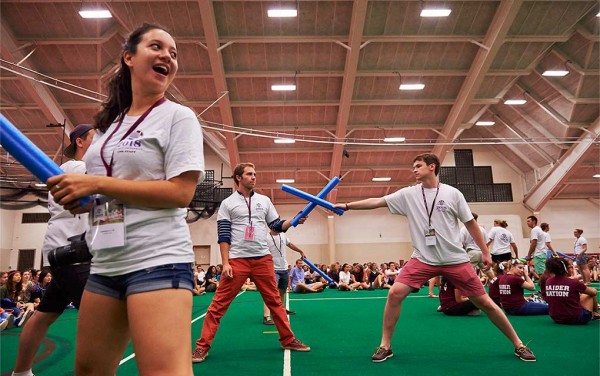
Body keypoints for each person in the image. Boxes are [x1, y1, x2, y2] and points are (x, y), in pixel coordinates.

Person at [46, 23, 205, 375]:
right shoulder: (107, 129)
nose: (168, 55)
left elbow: (181, 193)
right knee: (89, 370)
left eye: (174, 53)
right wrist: (83, 200)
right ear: (129, 57)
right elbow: (106, 191)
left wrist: (96, 184)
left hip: (158, 259)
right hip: (106, 262)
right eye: (157, 46)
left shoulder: (179, 118)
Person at [335, 153, 536, 363]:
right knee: (394, 293)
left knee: (485, 302)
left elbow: (470, 224)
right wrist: (348, 206)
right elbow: (377, 201)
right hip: (423, 257)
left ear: (432, 167)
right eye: (413, 166)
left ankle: (519, 345)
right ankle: (385, 345)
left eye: (418, 165)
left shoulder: (453, 194)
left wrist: (485, 252)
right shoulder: (408, 194)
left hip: (455, 259)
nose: (414, 169)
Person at [192, 162, 310, 363]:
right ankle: (202, 347)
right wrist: (226, 263)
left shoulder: (264, 201)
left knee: (275, 301)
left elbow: (276, 225)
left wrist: (294, 221)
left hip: (263, 259)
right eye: (249, 174)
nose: (254, 177)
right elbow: (223, 236)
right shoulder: (228, 204)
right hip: (237, 261)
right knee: (218, 306)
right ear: (238, 178)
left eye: (255, 174)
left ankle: (288, 339)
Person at [12, 123, 95, 376]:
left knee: (44, 314)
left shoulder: (64, 169)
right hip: (73, 252)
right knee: (99, 320)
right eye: (95, 137)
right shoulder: (80, 168)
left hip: (64, 250)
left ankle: (21, 372)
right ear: (80, 142)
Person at [263, 229, 305, 325]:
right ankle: (267, 316)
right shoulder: (265, 237)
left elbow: (290, 244)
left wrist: (300, 251)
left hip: (284, 268)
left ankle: (281, 310)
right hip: (272, 268)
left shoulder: (283, 235)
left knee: (282, 291)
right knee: (270, 293)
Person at [544, 258, 600, 324]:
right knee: (590, 294)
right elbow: (593, 293)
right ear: (566, 269)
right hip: (577, 318)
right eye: (570, 267)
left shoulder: (548, 281)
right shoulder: (573, 282)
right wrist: (594, 290)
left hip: (556, 318)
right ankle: (596, 314)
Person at [461, 213, 494, 282]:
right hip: (482, 253)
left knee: (467, 273)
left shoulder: (464, 229)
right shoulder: (482, 229)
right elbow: (486, 243)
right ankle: (497, 285)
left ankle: (468, 290)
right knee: (489, 272)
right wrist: (486, 253)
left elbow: (460, 243)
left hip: (472, 252)